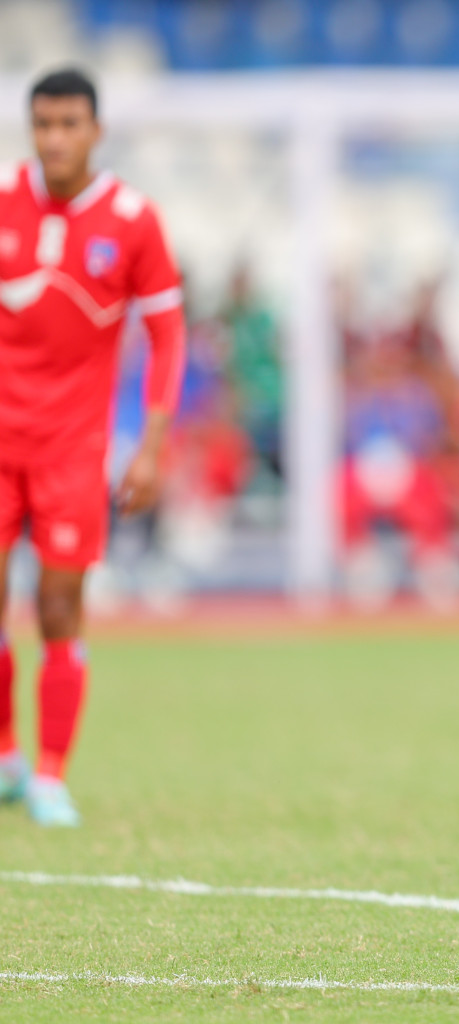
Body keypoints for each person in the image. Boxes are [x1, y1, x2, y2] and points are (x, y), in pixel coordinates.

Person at [0, 68, 185, 826]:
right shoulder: (5, 197)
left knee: (56, 605)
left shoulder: (132, 219)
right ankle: (8, 756)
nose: (55, 139)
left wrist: (151, 445)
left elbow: (167, 335)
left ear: (95, 130)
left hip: (73, 448)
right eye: (43, 124)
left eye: (69, 124)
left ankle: (50, 774)